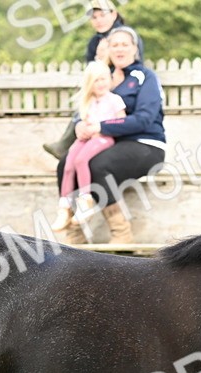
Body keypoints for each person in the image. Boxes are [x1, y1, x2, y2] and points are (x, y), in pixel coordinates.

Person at [56, 26, 165, 245]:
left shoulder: (145, 77)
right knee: (65, 163)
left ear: (135, 48)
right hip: (107, 142)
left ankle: (121, 233)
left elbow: (144, 119)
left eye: (125, 44)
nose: (120, 49)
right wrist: (80, 125)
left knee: (98, 165)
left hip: (145, 144)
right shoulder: (101, 77)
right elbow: (85, 106)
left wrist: (101, 126)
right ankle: (74, 234)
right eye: (114, 45)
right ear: (107, 49)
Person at [42, 0, 145, 161]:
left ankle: (68, 145)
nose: (99, 20)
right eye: (94, 17)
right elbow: (92, 71)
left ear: (114, 14)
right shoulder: (94, 42)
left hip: (122, 86)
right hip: (102, 87)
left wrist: (108, 61)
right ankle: (72, 144)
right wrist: (100, 60)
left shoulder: (125, 36)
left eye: (102, 15)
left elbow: (133, 64)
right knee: (86, 105)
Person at [51, 61, 127, 231]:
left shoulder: (115, 100)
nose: (100, 84)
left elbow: (121, 121)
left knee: (81, 160)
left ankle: (86, 200)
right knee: (68, 164)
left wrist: (101, 127)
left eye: (103, 79)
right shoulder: (89, 102)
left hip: (104, 138)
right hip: (87, 138)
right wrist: (83, 129)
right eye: (96, 81)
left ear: (109, 79)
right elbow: (83, 120)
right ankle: (64, 206)